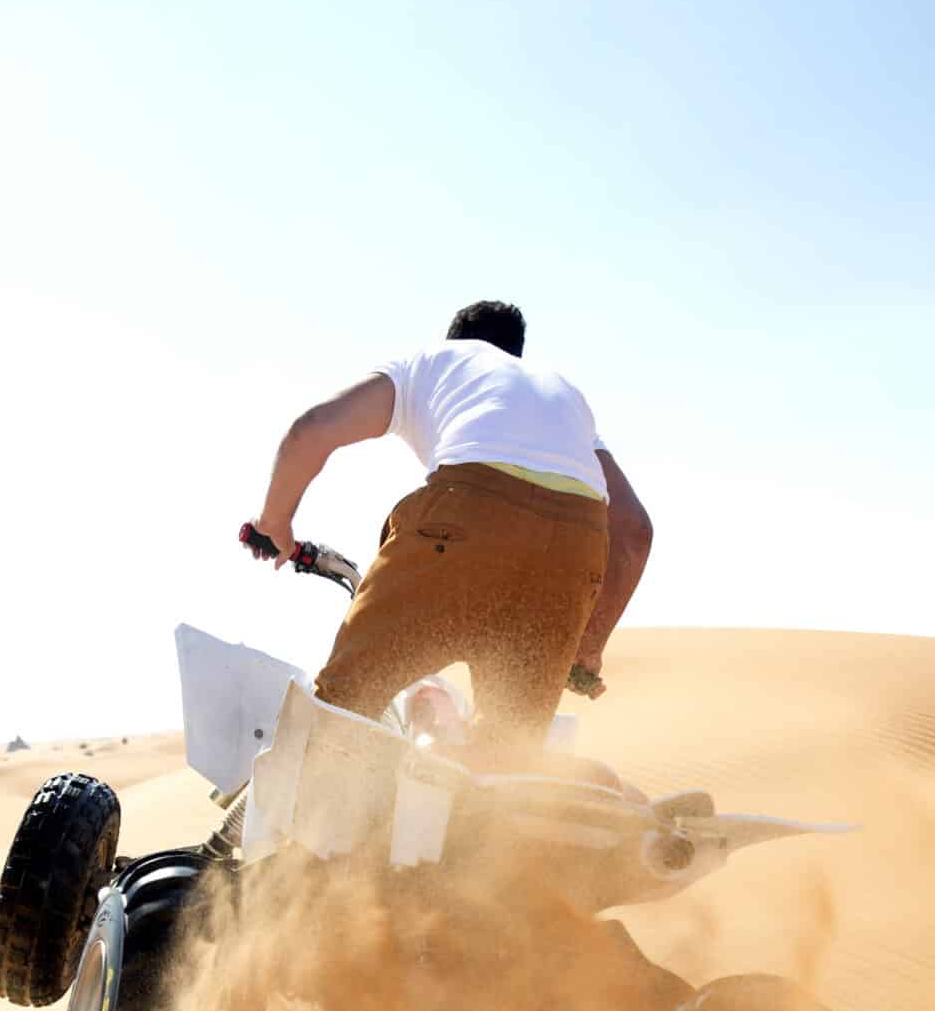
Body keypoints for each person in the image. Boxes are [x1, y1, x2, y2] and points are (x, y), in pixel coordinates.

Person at [242, 300, 653, 747]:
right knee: (506, 757)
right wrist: (588, 646)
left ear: (455, 340)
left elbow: (311, 429)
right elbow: (634, 530)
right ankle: (501, 815)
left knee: (344, 709)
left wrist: (275, 524)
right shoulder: (566, 398)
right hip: (575, 548)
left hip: (466, 517)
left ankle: (318, 808)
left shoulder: (433, 362)